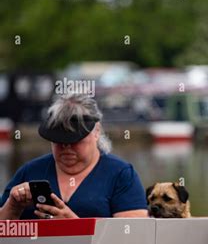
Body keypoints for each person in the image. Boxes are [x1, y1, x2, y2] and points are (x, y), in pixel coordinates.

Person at [0, 93, 148, 220]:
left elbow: (132, 237)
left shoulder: (121, 175)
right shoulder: (30, 172)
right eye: (59, 140)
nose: (66, 147)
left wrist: (72, 225)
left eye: (74, 140)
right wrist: (12, 208)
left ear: (96, 132)